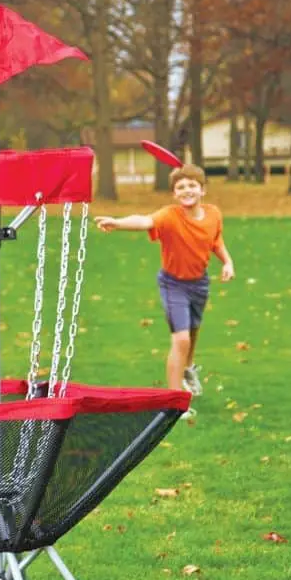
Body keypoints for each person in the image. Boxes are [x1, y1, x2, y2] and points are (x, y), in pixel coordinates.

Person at [94, 164, 235, 417]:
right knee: (180, 339)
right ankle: (174, 402)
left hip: (200, 283)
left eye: (192, 185)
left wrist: (227, 261)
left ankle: (189, 368)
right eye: (180, 187)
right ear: (174, 194)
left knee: (192, 333)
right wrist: (118, 222)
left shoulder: (214, 214)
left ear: (202, 190)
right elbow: (144, 220)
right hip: (173, 285)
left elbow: (216, 240)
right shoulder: (169, 215)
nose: (187, 190)